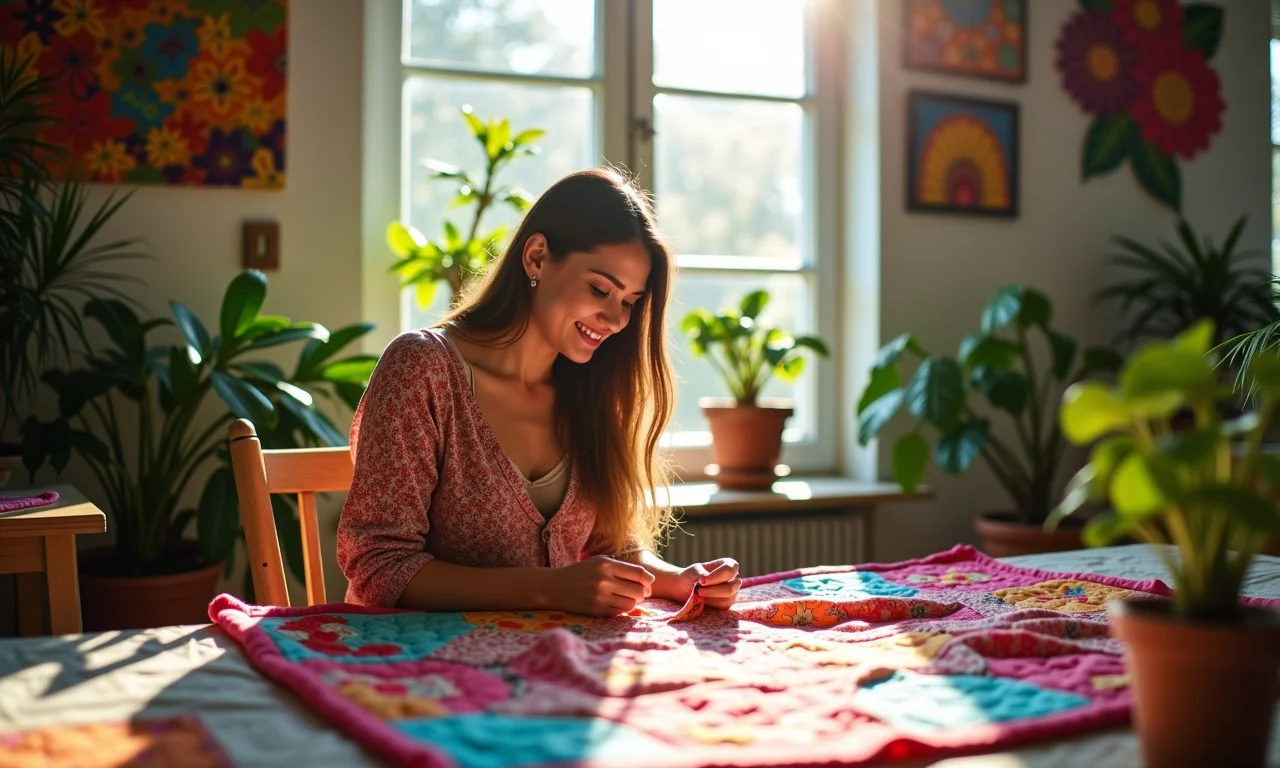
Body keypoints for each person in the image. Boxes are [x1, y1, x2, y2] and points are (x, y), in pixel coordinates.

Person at [336, 167, 741, 617]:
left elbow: (614, 549)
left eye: (628, 302)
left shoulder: (590, 388)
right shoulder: (422, 369)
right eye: (599, 289)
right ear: (536, 257)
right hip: (415, 669)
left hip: (549, 669)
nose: (615, 319)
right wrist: (548, 589)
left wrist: (678, 579)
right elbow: (379, 566)